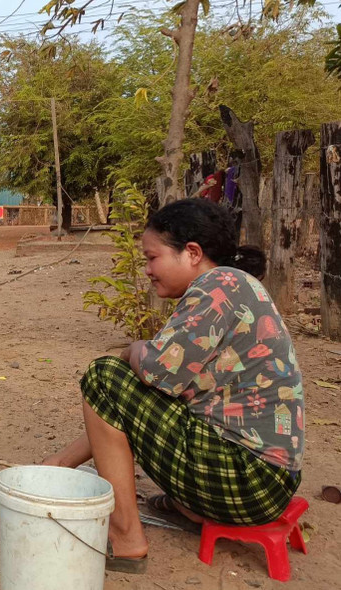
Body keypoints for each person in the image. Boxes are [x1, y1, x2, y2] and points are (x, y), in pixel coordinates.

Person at [44, 198, 303, 574]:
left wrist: (133, 349)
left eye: (152, 258)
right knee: (120, 391)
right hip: (271, 482)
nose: (147, 269)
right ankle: (56, 470)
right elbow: (134, 403)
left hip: (248, 479)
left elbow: (154, 371)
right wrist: (58, 464)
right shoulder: (235, 286)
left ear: (192, 253)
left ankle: (126, 538)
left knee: (103, 377)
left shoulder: (218, 286)